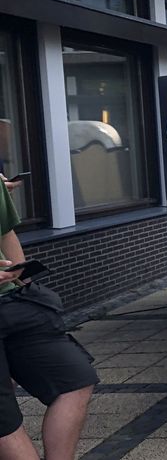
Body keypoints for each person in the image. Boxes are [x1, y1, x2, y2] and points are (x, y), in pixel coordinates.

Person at [0, 176, 97, 460]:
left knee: (75, 380)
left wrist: (23, 279)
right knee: (3, 414)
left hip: (13, 301)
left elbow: (5, 231)